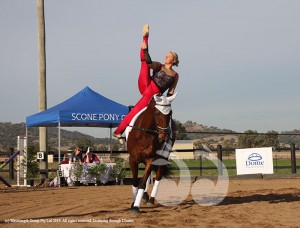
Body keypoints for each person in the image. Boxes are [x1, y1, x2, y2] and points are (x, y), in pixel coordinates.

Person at [113, 24, 179, 138]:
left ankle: (118, 131)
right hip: (146, 84)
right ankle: (145, 37)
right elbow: (149, 62)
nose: (165, 57)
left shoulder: (175, 75)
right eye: (166, 55)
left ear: (174, 60)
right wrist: (145, 50)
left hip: (154, 94)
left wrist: (166, 103)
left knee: (139, 109)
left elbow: (171, 92)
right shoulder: (160, 66)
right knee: (145, 63)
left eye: (168, 56)